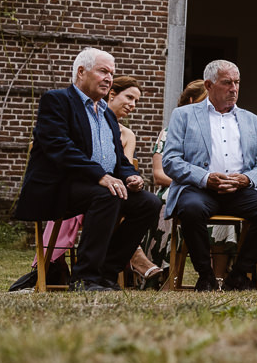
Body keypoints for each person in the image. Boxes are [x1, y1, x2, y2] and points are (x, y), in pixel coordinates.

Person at [10, 48, 162, 291]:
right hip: (61, 187)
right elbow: (59, 147)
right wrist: (100, 176)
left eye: (111, 73)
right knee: (108, 194)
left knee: (149, 203)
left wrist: (130, 175)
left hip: (99, 188)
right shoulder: (57, 100)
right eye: (103, 71)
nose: (109, 78)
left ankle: (105, 273)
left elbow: (118, 158)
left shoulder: (106, 113)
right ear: (81, 72)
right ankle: (84, 278)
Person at [159, 60, 257, 291]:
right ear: (208, 85)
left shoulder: (251, 120)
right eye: (227, 83)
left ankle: (238, 274)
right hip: (199, 189)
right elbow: (171, 160)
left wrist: (247, 179)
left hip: (239, 190)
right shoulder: (183, 115)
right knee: (191, 209)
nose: (234, 88)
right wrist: (205, 178)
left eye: (237, 82)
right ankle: (205, 275)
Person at [107, 76, 167, 287]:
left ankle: (122, 263)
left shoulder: (127, 134)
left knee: (148, 202)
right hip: (95, 187)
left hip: (118, 189)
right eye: (129, 97)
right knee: (114, 201)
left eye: (136, 101)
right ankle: (137, 259)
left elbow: (125, 166)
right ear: (112, 94)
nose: (132, 105)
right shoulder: (93, 121)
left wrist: (134, 179)